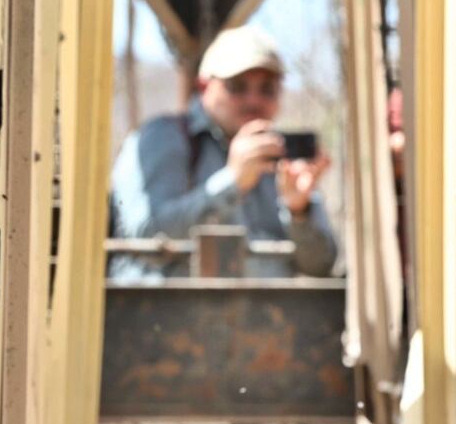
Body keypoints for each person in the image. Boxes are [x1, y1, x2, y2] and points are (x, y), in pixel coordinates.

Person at [109, 26, 338, 279]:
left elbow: (320, 265)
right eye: (237, 86)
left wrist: (298, 212)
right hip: (168, 315)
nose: (253, 100)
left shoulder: (280, 159)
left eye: (267, 89)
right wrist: (233, 183)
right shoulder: (163, 137)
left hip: (267, 316)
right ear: (204, 86)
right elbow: (146, 237)